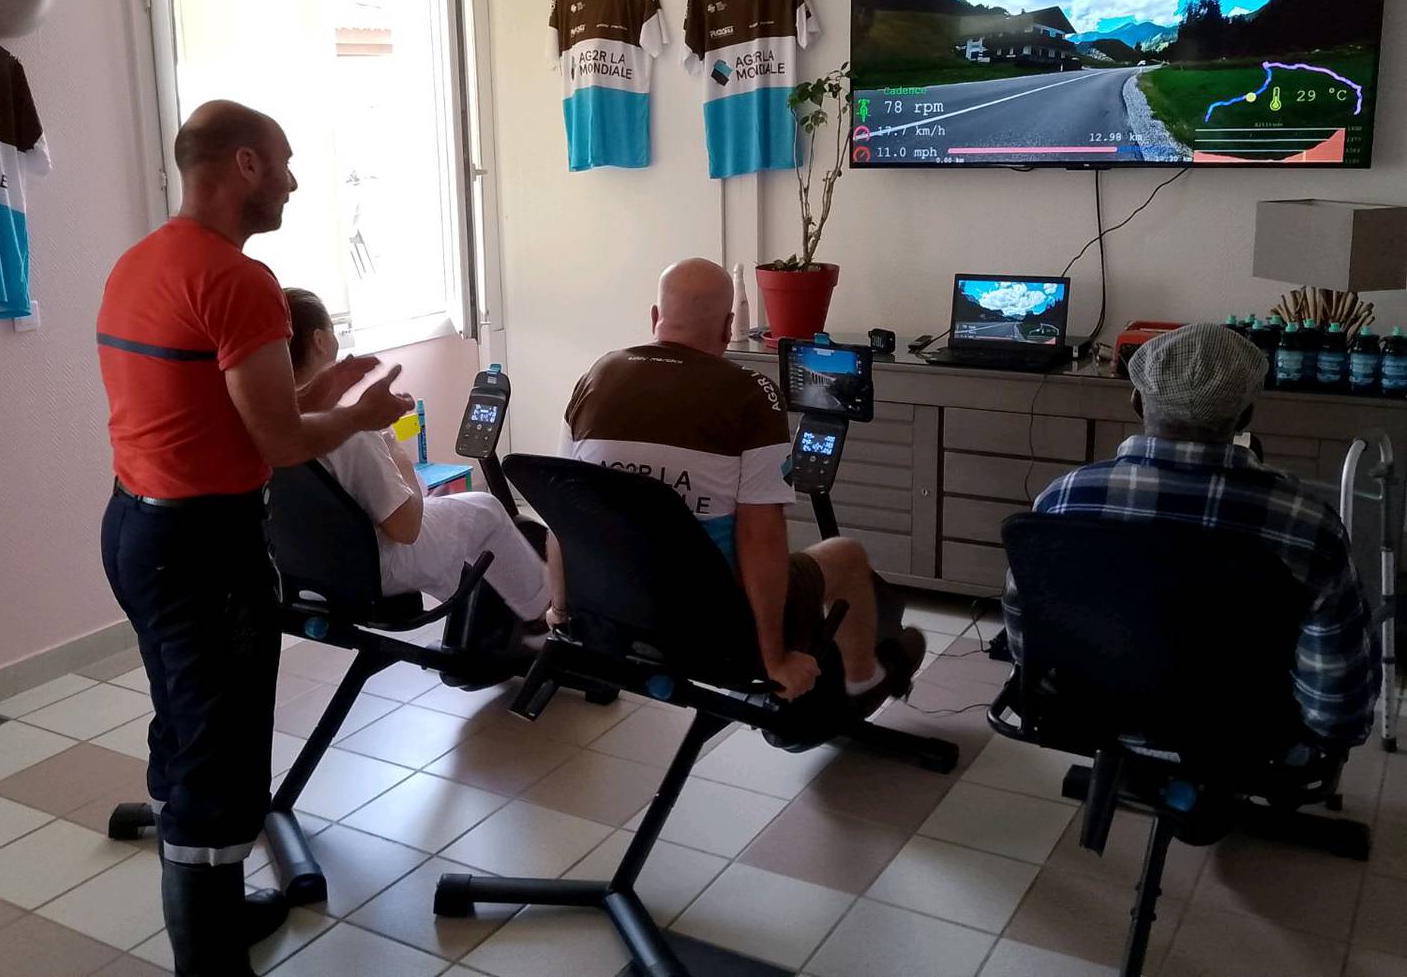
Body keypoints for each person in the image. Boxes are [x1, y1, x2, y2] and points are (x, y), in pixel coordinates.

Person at [96, 100, 412, 977]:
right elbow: (277, 444)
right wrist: (360, 416)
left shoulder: (140, 262)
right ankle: (212, 959)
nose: (294, 179)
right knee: (219, 762)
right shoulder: (240, 280)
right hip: (204, 552)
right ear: (242, 165)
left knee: (188, 725)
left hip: (136, 529)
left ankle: (222, 914)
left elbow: (229, 417)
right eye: (284, 162)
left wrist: (327, 390)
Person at [561, 257, 925, 711]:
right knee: (845, 555)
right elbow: (762, 535)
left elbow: (564, 508)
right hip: (709, 615)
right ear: (728, 325)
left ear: (655, 318)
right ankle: (863, 678)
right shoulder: (751, 393)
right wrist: (773, 660)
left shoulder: (595, 377)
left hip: (612, 604)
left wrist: (560, 612)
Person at [1002, 322, 1379, 745]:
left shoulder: (1063, 498)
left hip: (1087, 706)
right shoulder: (1307, 523)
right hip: (1245, 728)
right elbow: (1337, 686)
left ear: (1136, 402)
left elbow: (1025, 621)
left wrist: (1052, 689)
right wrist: (1327, 734)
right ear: (1246, 416)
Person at [285, 287, 555, 631]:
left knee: (447, 508)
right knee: (486, 510)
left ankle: (490, 619)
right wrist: (397, 455)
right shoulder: (349, 431)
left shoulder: (265, 429)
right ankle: (544, 615)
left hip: (306, 569)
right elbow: (406, 529)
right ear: (320, 340)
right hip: (376, 567)